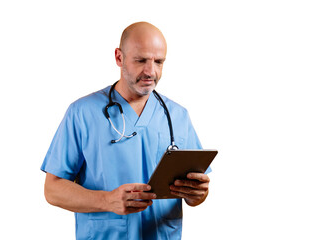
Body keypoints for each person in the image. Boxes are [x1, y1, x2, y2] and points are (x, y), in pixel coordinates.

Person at [41, 21, 211, 240]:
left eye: (158, 62)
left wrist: (198, 194)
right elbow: (52, 190)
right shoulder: (82, 113)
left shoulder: (178, 116)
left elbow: (195, 196)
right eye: (141, 60)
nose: (151, 71)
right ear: (119, 57)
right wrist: (106, 200)